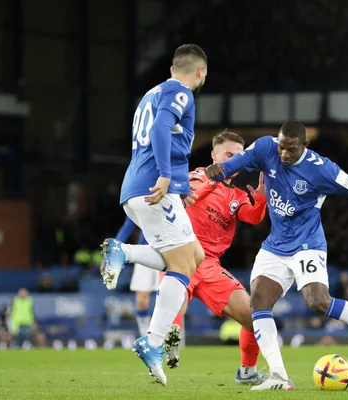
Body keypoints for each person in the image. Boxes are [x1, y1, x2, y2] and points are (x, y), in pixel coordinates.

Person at [205, 120, 348, 391]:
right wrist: (218, 170)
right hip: (275, 246)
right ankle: (279, 376)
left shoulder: (323, 170)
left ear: (304, 146)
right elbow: (232, 166)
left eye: (290, 150)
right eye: (281, 148)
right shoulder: (266, 147)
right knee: (258, 302)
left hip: (307, 244)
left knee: (318, 302)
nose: (283, 155)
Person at [103, 130, 268, 385]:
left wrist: (260, 197)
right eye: (228, 155)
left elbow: (252, 217)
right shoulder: (198, 174)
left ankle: (247, 372)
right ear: (214, 155)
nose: (234, 161)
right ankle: (166, 340)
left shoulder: (235, 195)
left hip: (210, 265)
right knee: (173, 313)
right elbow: (187, 196)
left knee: (255, 317)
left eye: (239, 156)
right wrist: (213, 179)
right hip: (182, 254)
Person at [100, 44, 207, 386]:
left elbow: (158, 138)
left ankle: (124, 252)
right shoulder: (182, 94)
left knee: (195, 255)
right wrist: (165, 175)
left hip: (136, 187)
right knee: (183, 266)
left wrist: (177, 183)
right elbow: (161, 130)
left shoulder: (151, 93)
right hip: (152, 186)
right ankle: (154, 341)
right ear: (200, 72)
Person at [108, 217, 160, 337]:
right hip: (145, 251)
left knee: (170, 298)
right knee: (141, 301)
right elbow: (128, 226)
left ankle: (172, 338)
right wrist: (112, 253)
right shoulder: (139, 199)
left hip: (168, 251)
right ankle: (145, 337)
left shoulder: (172, 199)